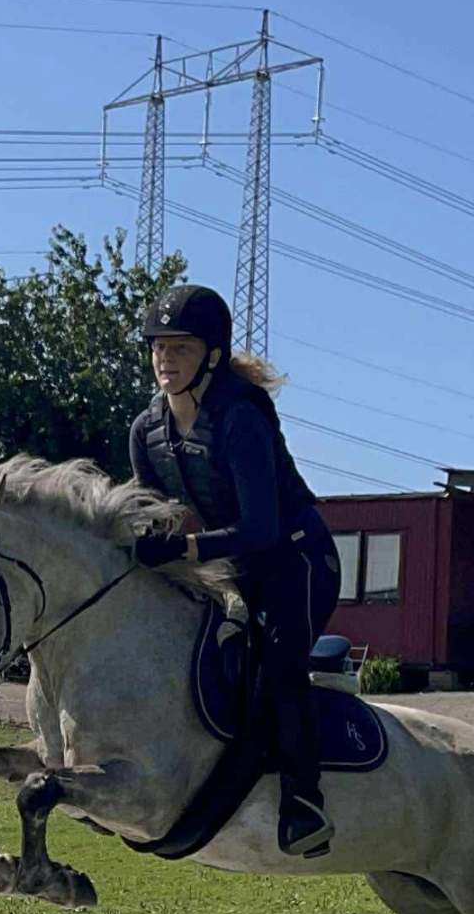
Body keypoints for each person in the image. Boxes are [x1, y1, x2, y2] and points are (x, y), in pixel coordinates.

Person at [129, 284, 342, 856]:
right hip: (231, 564)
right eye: (158, 348)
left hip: (296, 559)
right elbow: (159, 520)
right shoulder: (145, 431)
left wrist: (186, 551)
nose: (165, 360)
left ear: (212, 356)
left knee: (279, 667)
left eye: (180, 348)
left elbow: (260, 530)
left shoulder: (240, 418)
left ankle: (304, 803)